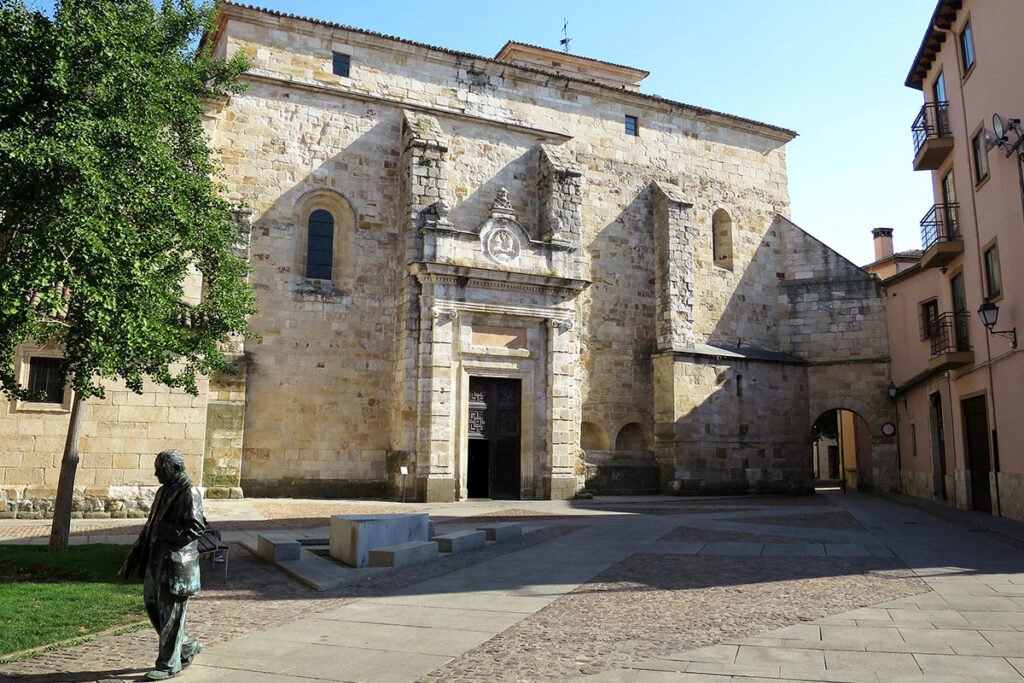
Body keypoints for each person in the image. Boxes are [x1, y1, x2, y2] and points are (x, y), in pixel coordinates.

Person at [120, 449, 207, 680]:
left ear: (176, 469)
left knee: (171, 615)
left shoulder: (189, 492)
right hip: (155, 561)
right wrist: (134, 556)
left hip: (176, 565)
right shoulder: (162, 491)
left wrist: (165, 530)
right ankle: (186, 646)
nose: (156, 472)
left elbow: (196, 528)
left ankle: (169, 665)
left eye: (161, 468)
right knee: (152, 605)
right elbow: (150, 526)